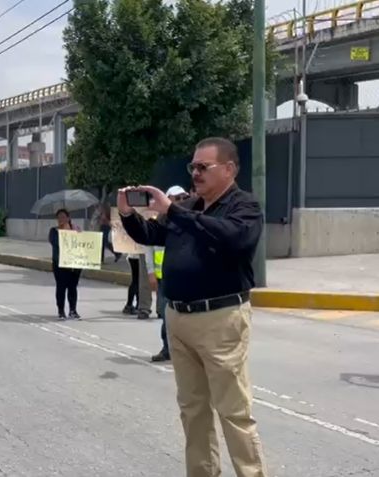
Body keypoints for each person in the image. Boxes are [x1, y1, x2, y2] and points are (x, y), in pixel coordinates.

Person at [119, 137, 267, 476]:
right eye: (193, 167)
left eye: (204, 167)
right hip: (179, 318)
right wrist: (128, 213)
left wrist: (174, 211)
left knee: (234, 412)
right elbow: (150, 234)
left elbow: (232, 238)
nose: (196, 173)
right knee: (192, 409)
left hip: (220, 319)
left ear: (229, 169)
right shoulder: (188, 207)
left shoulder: (243, 206)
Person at [144, 185, 190, 363]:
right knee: (166, 314)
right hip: (164, 278)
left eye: (183, 198)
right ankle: (167, 349)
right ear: (168, 199)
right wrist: (150, 273)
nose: (181, 202)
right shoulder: (161, 221)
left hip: (183, 277)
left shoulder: (187, 220)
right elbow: (148, 247)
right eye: (177, 199)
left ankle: (184, 350)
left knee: (184, 317)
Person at [48, 209, 83, 320]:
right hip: (60, 264)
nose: (61, 219)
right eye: (59, 217)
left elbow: (83, 242)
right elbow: (56, 243)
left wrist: (76, 233)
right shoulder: (54, 231)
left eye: (63, 217)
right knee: (61, 287)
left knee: (73, 287)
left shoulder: (76, 230)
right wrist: (65, 233)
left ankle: (73, 310)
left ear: (68, 218)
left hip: (74, 264)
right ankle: (61, 310)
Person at [123, 251, 152, 320]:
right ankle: (133, 305)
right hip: (138, 257)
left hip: (132, 256)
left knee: (136, 281)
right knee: (138, 282)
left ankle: (131, 304)